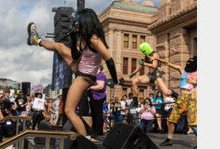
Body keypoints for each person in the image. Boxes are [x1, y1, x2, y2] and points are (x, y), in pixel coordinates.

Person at [27, 8, 119, 136]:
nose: (76, 23)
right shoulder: (83, 36)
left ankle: (86, 140)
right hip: (80, 67)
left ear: (85, 21)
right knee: (60, 47)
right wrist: (74, 37)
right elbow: (75, 55)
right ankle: (36, 40)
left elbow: (109, 60)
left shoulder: (94, 39)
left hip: (85, 77)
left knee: (69, 110)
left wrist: (115, 80)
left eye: (78, 21)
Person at [153, 56, 197, 146]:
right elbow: (168, 63)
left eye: (192, 61)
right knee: (172, 120)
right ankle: (169, 139)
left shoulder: (197, 73)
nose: (189, 62)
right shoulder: (182, 70)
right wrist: (158, 59)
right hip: (181, 98)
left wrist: (194, 81)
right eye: (188, 61)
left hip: (191, 98)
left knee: (193, 124)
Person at [129, 42, 176, 107]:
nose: (143, 52)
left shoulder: (155, 54)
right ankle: (135, 101)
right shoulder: (146, 56)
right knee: (134, 81)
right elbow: (140, 66)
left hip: (157, 74)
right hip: (150, 75)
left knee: (166, 92)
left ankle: (176, 95)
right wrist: (133, 73)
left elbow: (154, 65)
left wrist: (144, 64)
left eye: (144, 51)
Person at [87, 65, 107, 136]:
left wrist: (90, 87)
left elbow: (100, 86)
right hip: (94, 97)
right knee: (94, 114)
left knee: (98, 114)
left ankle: (98, 131)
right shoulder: (96, 75)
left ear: (98, 68)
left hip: (98, 97)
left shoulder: (100, 75)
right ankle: (94, 129)